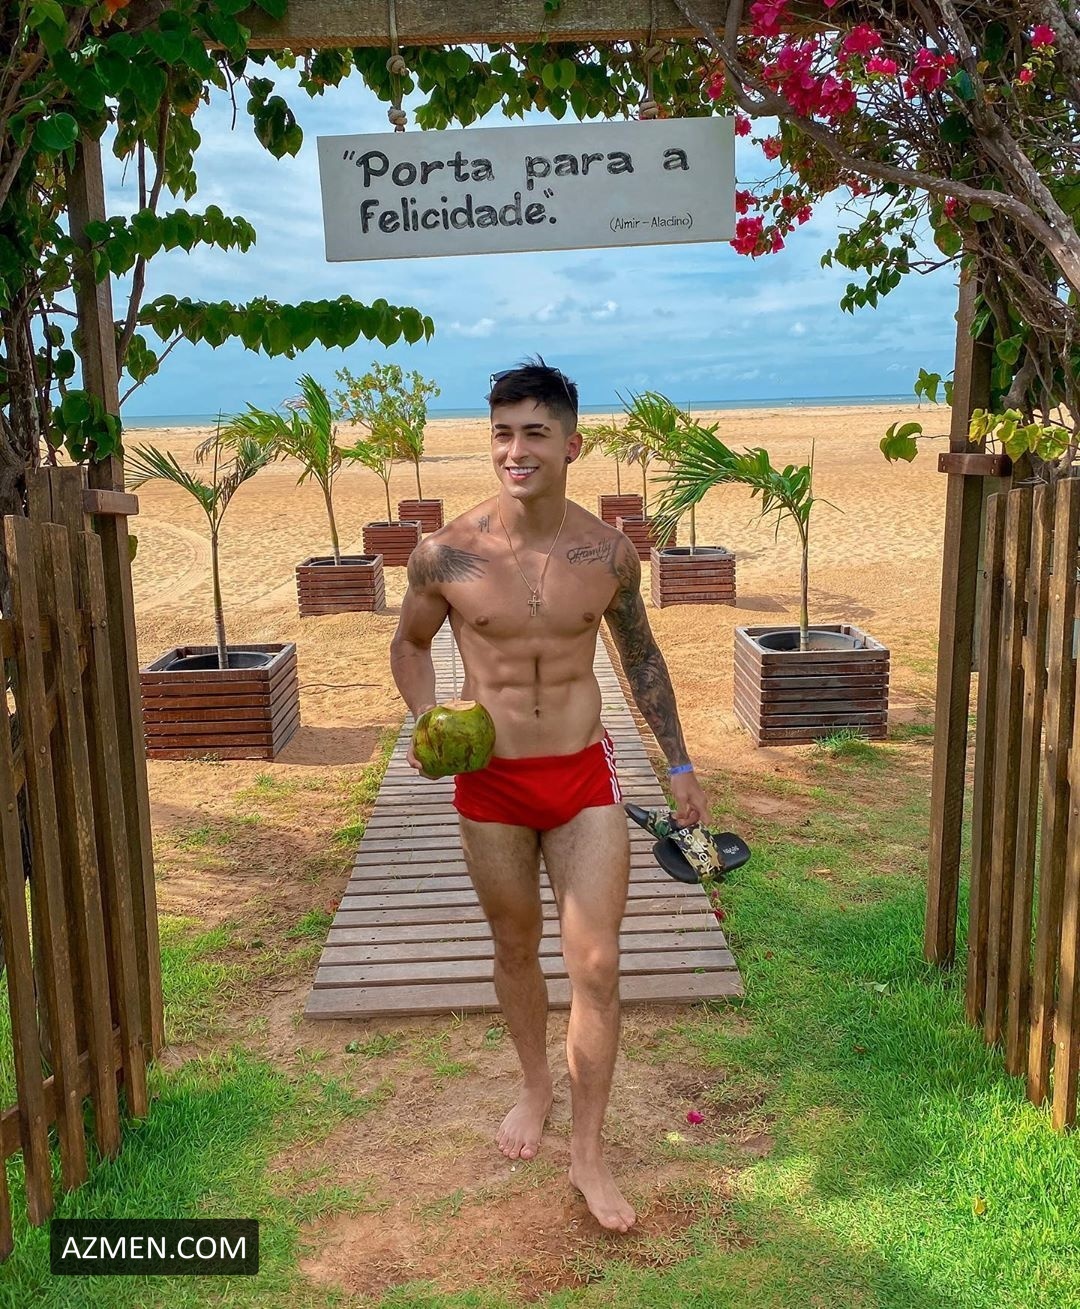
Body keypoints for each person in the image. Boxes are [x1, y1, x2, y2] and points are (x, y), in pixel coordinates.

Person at [389, 358, 709, 1233]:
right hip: (489, 781)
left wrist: (679, 763)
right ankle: (535, 1085)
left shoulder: (607, 554)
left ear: (573, 443)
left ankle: (588, 1151)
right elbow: (410, 645)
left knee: (596, 963)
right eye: (502, 433)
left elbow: (641, 657)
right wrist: (427, 718)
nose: (515, 450)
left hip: (581, 776)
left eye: (534, 432)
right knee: (515, 945)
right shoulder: (446, 552)